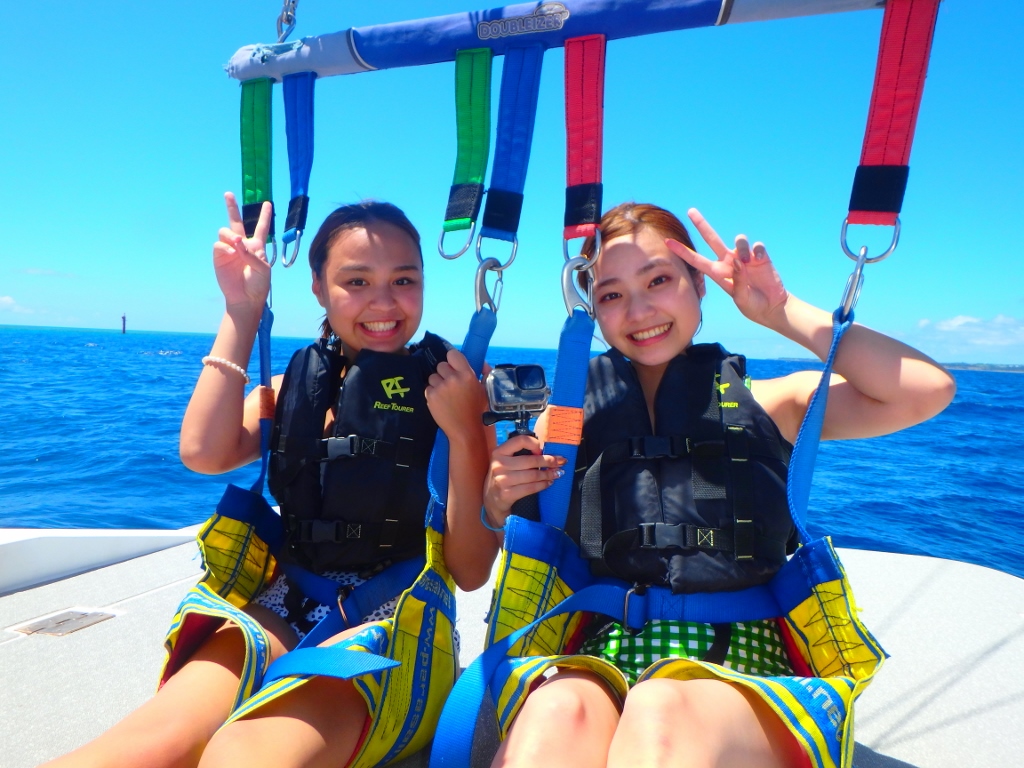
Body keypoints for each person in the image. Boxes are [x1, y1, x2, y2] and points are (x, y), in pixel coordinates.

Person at [481, 202, 956, 768]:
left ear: (700, 286)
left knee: (661, 710)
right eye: (611, 294)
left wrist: (780, 313)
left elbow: (926, 390)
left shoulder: (767, 401)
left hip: (741, 658)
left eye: (659, 280)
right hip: (603, 653)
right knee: (554, 714)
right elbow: (509, 522)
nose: (639, 309)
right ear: (592, 310)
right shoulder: (566, 419)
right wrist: (497, 497)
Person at [46, 194, 498, 768]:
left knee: (247, 755)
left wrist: (462, 433)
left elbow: (469, 569)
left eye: (403, 279)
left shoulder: (457, 388)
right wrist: (241, 311)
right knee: (148, 745)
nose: (383, 302)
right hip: (283, 602)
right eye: (355, 281)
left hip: (400, 621)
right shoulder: (295, 388)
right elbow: (203, 452)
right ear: (317, 288)